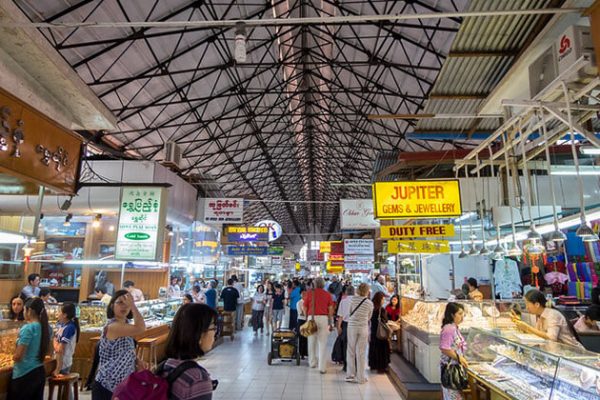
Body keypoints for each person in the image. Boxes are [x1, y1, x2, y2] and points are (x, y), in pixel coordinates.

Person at [92, 290, 146, 400]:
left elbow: (122, 350)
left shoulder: (125, 325)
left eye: (127, 304)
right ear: (112, 306)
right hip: (107, 384)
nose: (124, 306)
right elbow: (141, 328)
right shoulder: (113, 326)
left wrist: (135, 360)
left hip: (121, 385)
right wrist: (133, 305)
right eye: (120, 302)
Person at [158, 303, 218, 400]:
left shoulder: (165, 366)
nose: (215, 333)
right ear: (199, 335)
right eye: (213, 328)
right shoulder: (198, 379)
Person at [7, 297, 50, 400]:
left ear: (29, 311)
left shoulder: (28, 328)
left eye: (24, 309)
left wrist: (13, 356)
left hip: (24, 374)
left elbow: (18, 356)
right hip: (39, 371)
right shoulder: (46, 327)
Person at [511, 289, 582, 348]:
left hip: (573, 353)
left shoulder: (552, 315)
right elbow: (537, 334)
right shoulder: (540, 316)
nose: (527, 307)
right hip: (559, 352)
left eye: (527, 304)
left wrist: (527, 328)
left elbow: (551, 337)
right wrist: (520, 324)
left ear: (537, 305)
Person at [302, 277, 335, 374]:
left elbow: (304, 306)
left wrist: (306, 316)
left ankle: (312, 363)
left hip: (311, 318)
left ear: (314, 284)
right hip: (323, 319)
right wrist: (330, 321)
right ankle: (322, 367)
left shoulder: (309, 293)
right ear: (324, 284)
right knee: (322, 343)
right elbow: (330, 309)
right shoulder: (328, 295)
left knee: (311, 341)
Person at [440, 303, 468, 400]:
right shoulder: (449, 329)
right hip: (450, 368)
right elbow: (445, 348)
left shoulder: (455, 327)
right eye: (459, 314)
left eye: (463, 314)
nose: (462, 316)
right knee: (452, 395)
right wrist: (459, 358)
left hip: (456, 366)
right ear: (452, 315)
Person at [346, 283, 373, 384]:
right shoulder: (369, 303)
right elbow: (369, 317)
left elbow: (349, 312)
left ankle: (350, 375)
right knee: (361, 352)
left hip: (352, 327)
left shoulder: (352, 300)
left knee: (350, 350)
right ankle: (361, 377)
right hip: (363, 327)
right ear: (367, 291)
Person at [53, 302, 80, 376]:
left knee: (64, 385)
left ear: (65, 315)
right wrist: (56, 346)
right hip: (58, 360)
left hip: (63, 363)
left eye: (59, 312)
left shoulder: (69, 328)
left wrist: (58, 368)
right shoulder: (62, 325)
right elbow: (55, 338)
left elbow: (60, 349)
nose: (57, 314)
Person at [368, 291, 390, 372]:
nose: (384, 300)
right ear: (380, 299)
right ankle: (381, 366)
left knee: (373, 347)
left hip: (374, 331)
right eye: (383, 299)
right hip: (380, 332)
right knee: (382, 349)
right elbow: (385, 320)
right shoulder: (381, 309)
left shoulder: (372, 308)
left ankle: (373, 365)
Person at [336, 285, 355, 372]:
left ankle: (346, 365)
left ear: (346, 292)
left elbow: (340, 316)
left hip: (346, 325)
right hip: (355, 324)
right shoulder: (357, 301)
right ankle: (354, 365)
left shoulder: (343, 301)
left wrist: (339, 327)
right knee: (354, 345)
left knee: (346, 346)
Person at [296, 289, 308, 358]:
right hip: (301, 320)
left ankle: (306, 352)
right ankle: (301, 353)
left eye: (305, 293)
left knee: (306, 337)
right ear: (300, 295)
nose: (304, 295)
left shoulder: (308, 302)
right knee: (301, 337)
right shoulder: (299, 303)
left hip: (307, 320)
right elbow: (301, 313)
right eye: (303, 294)